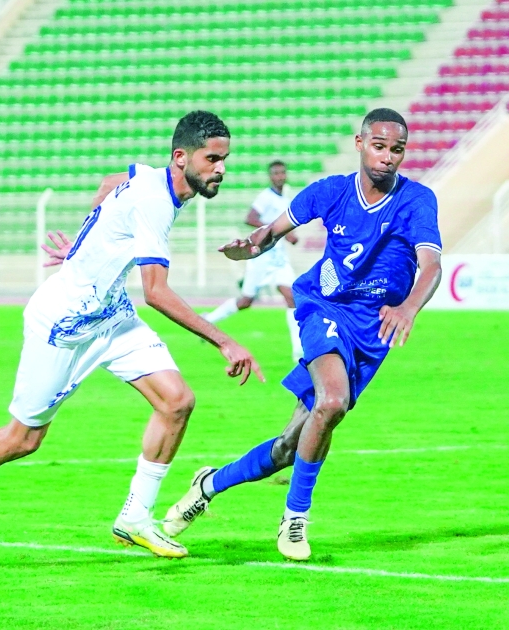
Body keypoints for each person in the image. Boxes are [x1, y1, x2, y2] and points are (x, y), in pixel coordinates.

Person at [0, 111, 263, 561]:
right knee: (24, 440)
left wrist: (83, 246)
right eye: (213, 159)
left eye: (225, 159)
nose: (222, 169)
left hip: (111, 316)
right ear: (180, 157)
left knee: (177, 401)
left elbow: (112, 180)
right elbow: (156, 293)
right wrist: (224, 340)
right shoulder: (155, 200)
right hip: (63, 325)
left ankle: (136, 517)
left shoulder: (157, 180)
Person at [162, 108, 443, 561]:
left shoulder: (418, 200)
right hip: (323, 307)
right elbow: (273, 231)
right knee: (331, 402)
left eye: (397, 149)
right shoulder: (331, 192)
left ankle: (207, 485)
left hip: (374, 330)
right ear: (359, 143)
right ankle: (295, 520)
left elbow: (431, 263)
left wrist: (409, 306)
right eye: (379, 146)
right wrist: (250, 246)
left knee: (290, 447)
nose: (388, 157)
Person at [203, 161, 303, 361]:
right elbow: (250, 217)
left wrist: (287, 234)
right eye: (276, 173)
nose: (280, 176)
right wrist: (273, 229)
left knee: (292, 298)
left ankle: (298, 349)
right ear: (270, 176)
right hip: (261, 258)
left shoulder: (285, 197)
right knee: (246, 301)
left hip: (279, 260)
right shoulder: (266, 197)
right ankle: (208, 320)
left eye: (282, 172)